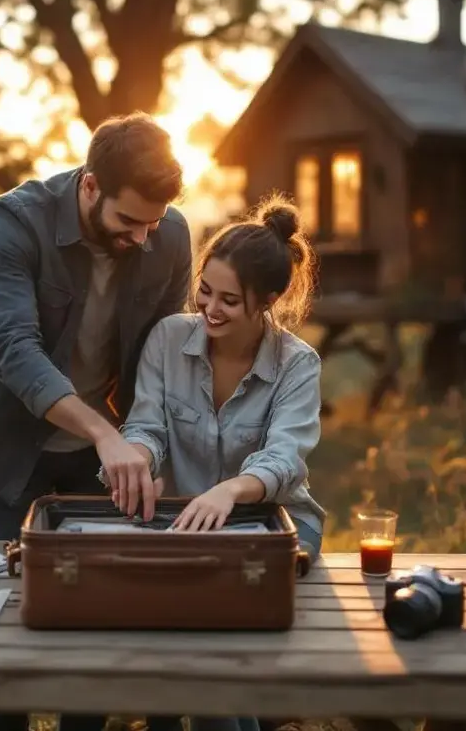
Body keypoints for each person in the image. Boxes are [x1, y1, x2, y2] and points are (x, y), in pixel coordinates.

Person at [0, 111, 193, 731]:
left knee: (91, 624)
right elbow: (15, 350)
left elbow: (158, 359)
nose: (143, 238)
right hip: (12, 451)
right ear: (90, 187)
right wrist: (106, 434)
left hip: (101, 462)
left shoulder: (169, 236)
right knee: (5, 629)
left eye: (154, 224)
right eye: (128, 222)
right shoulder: (14, 220)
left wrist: (146, 446)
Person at [114, 195, 326, 731]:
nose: (210, 309)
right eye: (204, 291)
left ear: (269, 300)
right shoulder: (167, 339)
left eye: (230, 301)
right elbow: (145, 426)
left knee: (209, 629)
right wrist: (135, 459)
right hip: (184, 522)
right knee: (180, 623)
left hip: (272, 526)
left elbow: (283, 459)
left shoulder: (298, 364)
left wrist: (229, 492)